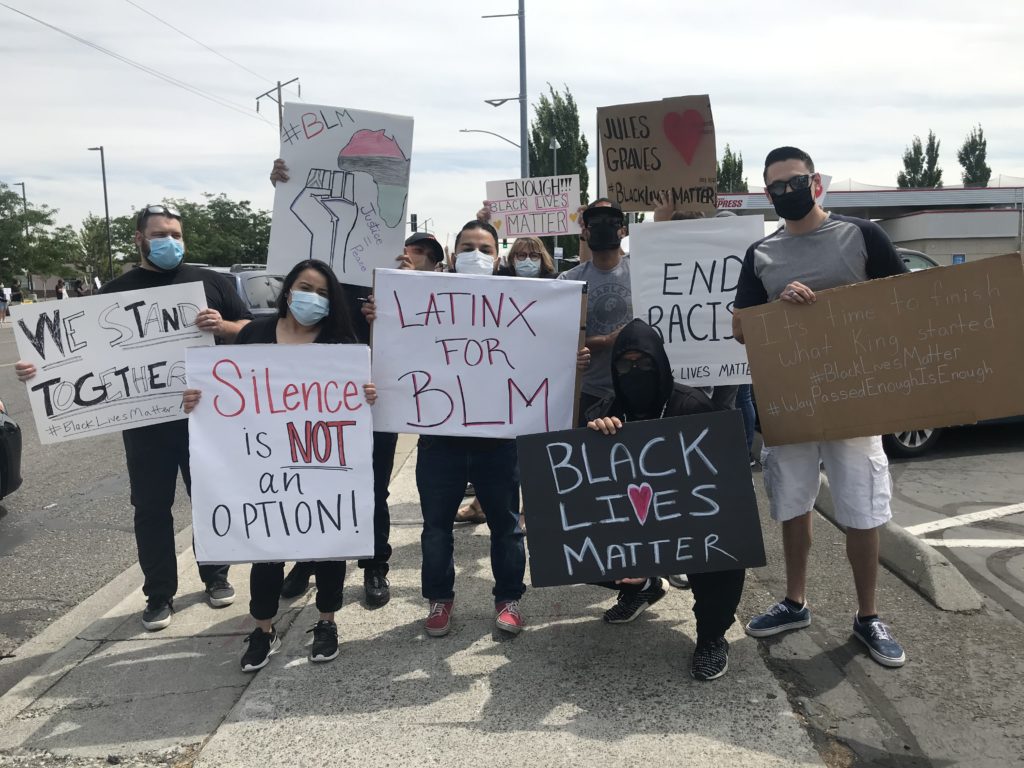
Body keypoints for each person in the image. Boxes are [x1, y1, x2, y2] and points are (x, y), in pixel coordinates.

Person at [16, 203, 252, 631]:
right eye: (162, 234)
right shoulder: (115, 291)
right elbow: (73, 354)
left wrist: (224, 327)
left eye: (177, 235)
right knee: (150, 508)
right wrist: (37, 369)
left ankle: (215, 575)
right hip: (145, 422)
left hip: (204, 416)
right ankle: (159, 595)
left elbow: (252, 330)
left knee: (211, 498)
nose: (172, 242)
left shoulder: (211, 282)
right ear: (140, 239)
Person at [733, 146, 909, 668]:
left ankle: (868, 616)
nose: (788, 190)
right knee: (792, 502)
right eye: (777, 185)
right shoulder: (760, 253)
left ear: (816, 183)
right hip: (789, 400)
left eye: (796, 180)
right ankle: (794, 601)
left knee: (861, 507)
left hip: (855, 396)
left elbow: (903, 304)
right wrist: (778, 310)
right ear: (767, 194)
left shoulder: (863, 235)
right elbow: (741, 326)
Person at [182, 259, 377, 671]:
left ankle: (326, 621)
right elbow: (227, 390)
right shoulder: (255, 333)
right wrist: (199, 402)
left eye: (323, 293)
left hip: (322, 463)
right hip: (265, 463)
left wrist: (368, 396)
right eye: (306, 287)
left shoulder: (341, 342)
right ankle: (263, 628)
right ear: (288, 290)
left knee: (329, 546)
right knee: (266, 547)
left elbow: (357, 397)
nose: (313, 298)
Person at [586, 319, 746, 681]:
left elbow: (722, 485)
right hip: (633, 520)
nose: (634, 371)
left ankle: (712, 637)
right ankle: (642, 589)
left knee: (725, 551)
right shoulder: (605, 411)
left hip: (692, 519)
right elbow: (588, 495)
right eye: (624, 365)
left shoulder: (692, 406)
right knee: (578, 548)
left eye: (643, 362)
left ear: (660, 363)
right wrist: (595, 436)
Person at [270, 159, 398, 607]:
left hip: (371, 398)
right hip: (310, 402)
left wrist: (395, 298)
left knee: (374, 486)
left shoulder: (384, 272)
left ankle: (375, 563)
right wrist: (284, 185)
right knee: (314, 483)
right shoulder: (305, 270)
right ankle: (309, 558)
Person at [558, 200, 632, 425]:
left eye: (611, 221)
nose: (603, 226)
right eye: (595, 222)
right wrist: (606, 340)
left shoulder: (642, 269)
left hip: (637, 388)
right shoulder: (569, 281)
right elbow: (561, 342)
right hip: (590, 392)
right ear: (585, 232)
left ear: (623, 230)